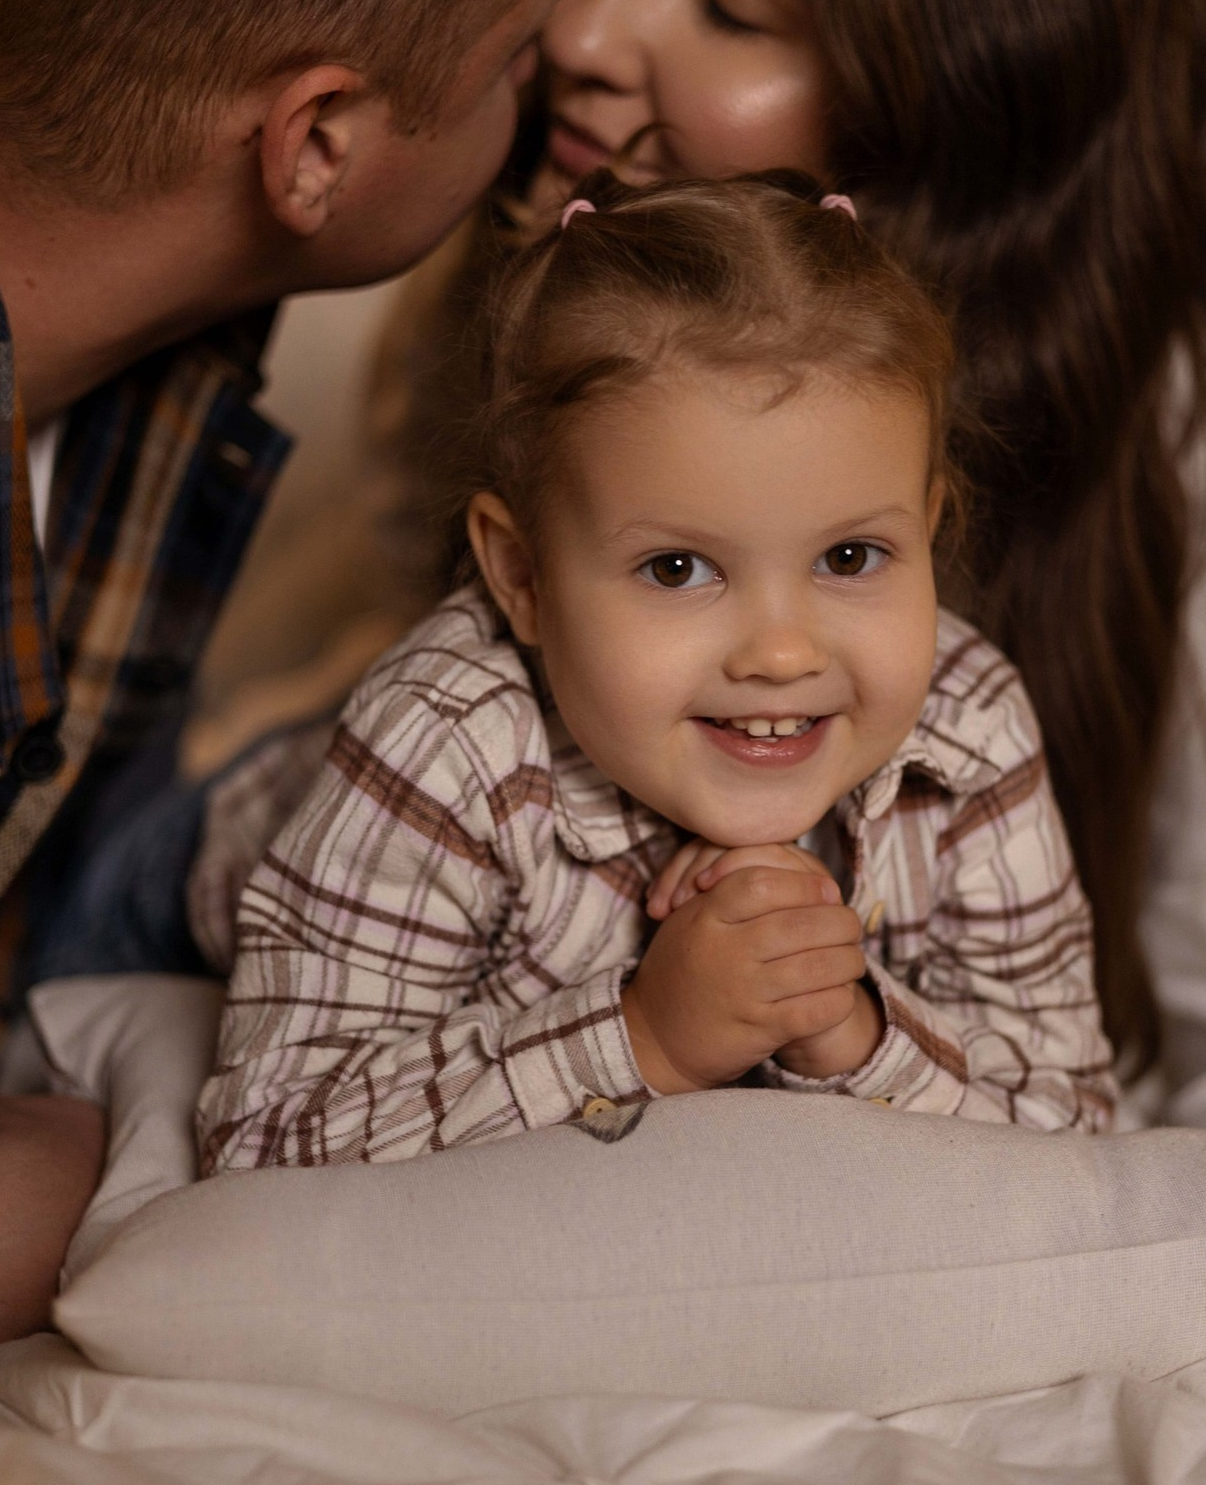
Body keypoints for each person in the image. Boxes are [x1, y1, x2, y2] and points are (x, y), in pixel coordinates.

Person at [355, 0, 1206, 1126]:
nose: (583, 29)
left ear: (948, 97)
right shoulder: (546, 287)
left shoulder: (1185, 505)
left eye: (729, 3)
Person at [0, 0, 569, 1346]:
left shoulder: (149, 359)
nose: (561, 78)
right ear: (316, 141)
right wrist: (130, 1177)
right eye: (512, 52)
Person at [197, 174, 1116, 1173]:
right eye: (676, 569)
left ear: (927, 533)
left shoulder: (969, 728)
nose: (781, 653)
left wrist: (847, 1027)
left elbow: (1074, 1129)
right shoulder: (448, 736)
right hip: (213, 841)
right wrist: (648, 1036)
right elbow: (262, 1142)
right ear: (522, 575)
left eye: (848, 559)